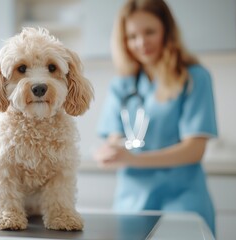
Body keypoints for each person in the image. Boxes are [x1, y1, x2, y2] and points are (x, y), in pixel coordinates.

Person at [93, 0, 218, 236]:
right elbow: (115, 138)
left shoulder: (194, 78)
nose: (141, 43)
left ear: (166, 30)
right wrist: (109, 151)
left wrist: (133, 158)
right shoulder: (122, 84)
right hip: (132, 203)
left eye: (149, 32)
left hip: (183, 201)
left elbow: (195, 150)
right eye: (132, 36)